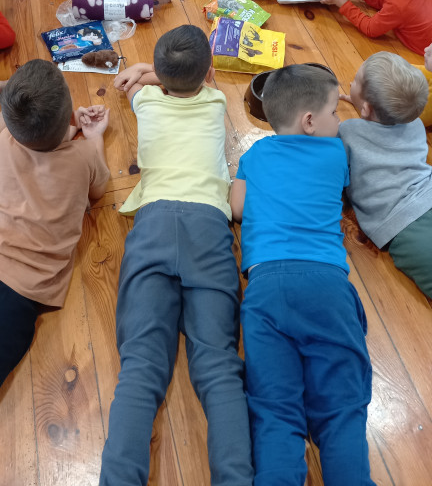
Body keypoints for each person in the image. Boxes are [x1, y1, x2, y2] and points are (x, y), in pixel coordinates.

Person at [99, 25, 253, 486]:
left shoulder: (146, 102)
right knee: (219, 366)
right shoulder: (216, 101)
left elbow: (134, 85)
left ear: (160, 79)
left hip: (154, 224)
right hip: (209, 226)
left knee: (141, 368)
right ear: (210, 74)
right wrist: (155, 71)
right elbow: (189, 80)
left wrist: (144, 71)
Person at [230, 64, 376, 486]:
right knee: (342, 407)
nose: (339, 120)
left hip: (265, 289)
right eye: (335, 111)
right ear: (310, 121)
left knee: (274, 409)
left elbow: (237, 209)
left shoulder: (255, 155)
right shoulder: (336, 153)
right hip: (325, 285)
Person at [0, 59, 110, 385]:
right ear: (69, 112)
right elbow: (98, 191)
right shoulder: (84, 157)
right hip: (25, 292)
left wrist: (68, 127)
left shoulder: (5, 139)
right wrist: (94, 137)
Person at [339, 52, 432, 298]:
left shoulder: (347, 131)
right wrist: (365, 108)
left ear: (367, 109)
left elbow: (334, 169)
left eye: (355, 81)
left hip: (401, 223)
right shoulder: (415, 124)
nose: (351, 83)